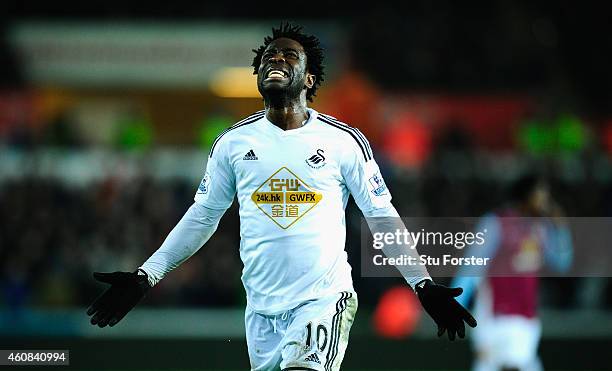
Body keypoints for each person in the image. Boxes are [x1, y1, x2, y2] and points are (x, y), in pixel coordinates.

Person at [86, 23, 476, 371]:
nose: (277, 59)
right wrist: (145, 276)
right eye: (270, 56)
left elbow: (381, 215)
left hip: (323, 300)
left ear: (308, 78)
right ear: (258, 75)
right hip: (260, 312)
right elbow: (203, 215)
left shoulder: (343, 142)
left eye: (290, 55)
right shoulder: (233, 144)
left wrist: (422, 284)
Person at [452, 175, 573, 371]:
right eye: (540, 193)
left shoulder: (542, 228)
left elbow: (562, 264)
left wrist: (561, 229)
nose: (545, 200)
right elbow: (472, 266)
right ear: (526, 195)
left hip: (526, 319)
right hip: (494, 318)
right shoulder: (495, 223)